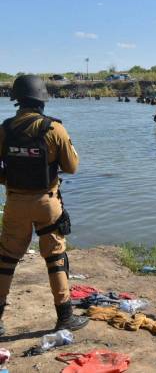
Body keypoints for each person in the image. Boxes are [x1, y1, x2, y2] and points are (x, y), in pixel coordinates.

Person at [0, 75, 89, 335]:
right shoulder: (54, 129)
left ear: (17, 100)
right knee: (55, 257)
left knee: (6, 258)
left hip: (15, 202)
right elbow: (71, 167)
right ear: (42, 100)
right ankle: (65, 317)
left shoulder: (4, 129)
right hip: (47, 203)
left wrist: (9, 179)